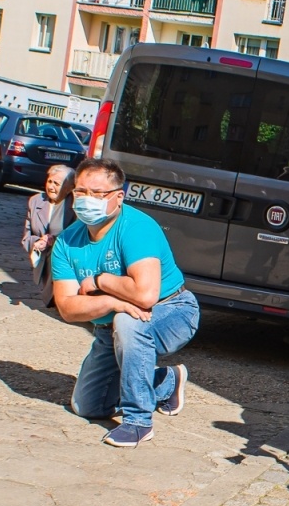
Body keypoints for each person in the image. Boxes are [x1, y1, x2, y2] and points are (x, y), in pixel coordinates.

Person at [50, 158, 200, 448]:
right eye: (80, 192)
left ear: (118, 196)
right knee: (88, 406)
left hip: (173, 310)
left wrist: (101, 282)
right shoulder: (67, 242)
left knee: (128, 321)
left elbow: (145, 296)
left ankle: (138, 422)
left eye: (98, 193)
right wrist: (112, 302)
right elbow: (67, 308)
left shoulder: (136, 227)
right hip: (110, 327)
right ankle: (166, 381)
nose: (86, 200)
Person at [23, 164, 75, 306]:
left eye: (57, 184)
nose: (51, 187)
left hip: (64, 259)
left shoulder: (75, 205)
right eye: (49, 181)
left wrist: (55, 240)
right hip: (42, 256)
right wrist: (37, 242)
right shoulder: (36, 201)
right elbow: (26, 236)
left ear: (70, 187)